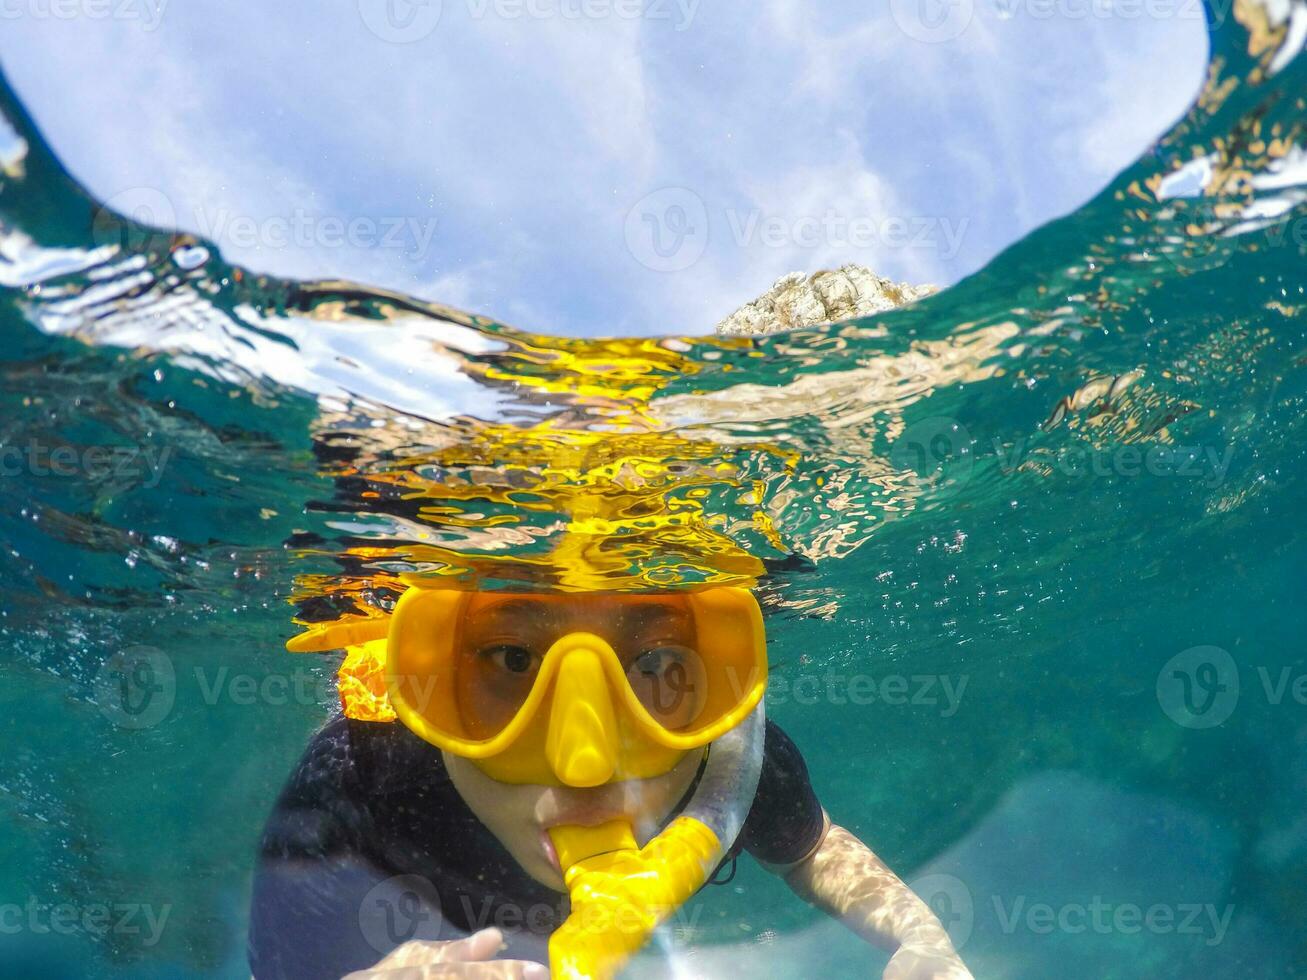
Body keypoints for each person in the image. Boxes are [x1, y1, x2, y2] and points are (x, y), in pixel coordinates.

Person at [248, 585, 971, 979]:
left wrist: (922, 940)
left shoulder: (723, 757)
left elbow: (811, 850)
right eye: (510, 659)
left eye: (652, 662)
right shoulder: (361, 769)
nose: (584, 764)